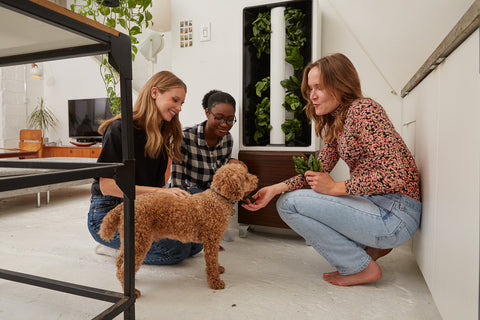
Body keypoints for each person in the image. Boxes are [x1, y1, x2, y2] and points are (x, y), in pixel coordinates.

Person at [242, 53, 421, 286]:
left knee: (289, 205)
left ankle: (360, 266)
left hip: (395, 214)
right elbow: (317, 172)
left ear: (340, 85)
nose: (312, 96)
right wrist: (275, 188)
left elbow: (395, 175)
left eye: (318, 88)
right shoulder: (338, 122)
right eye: (309, 89)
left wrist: (338, 187)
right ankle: (368, 251)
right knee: (285, 198)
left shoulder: (364, 110)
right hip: (379, 206)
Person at [87, 70, 203, 265]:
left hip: (142, 208)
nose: (179, 108)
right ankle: (115, 248)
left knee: (196, 240)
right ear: (155, 92)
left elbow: (155, 193)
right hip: (109, 212)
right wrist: (162, 193)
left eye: (181, 103)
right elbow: (107, 187)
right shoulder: (119, 129)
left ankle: (130, 244)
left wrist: (169, 198)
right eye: (175, 100)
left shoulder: (162, 133)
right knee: (177, 250)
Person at [169, 90, 244, 244]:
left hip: (211, 196)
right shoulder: (185, 137)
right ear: (207, 112)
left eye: (230, 120)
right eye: (219, 118)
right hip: (188, 194)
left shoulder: (227, 140)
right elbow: (177, 182)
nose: (225, 124)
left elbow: (220, 179)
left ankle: (210, 233)